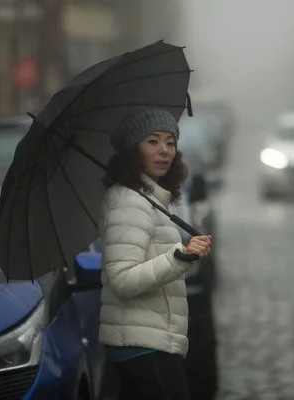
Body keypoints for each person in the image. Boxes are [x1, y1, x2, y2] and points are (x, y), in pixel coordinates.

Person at [99, 107, 212, 399]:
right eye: (152, 141)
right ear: (133, 150)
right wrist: (179, 256)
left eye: (170, 142)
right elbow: (121, 279)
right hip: (144, 347)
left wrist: (184, 255)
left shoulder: (147, 199)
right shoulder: (129, 202)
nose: (164, 150)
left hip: (147, 342)